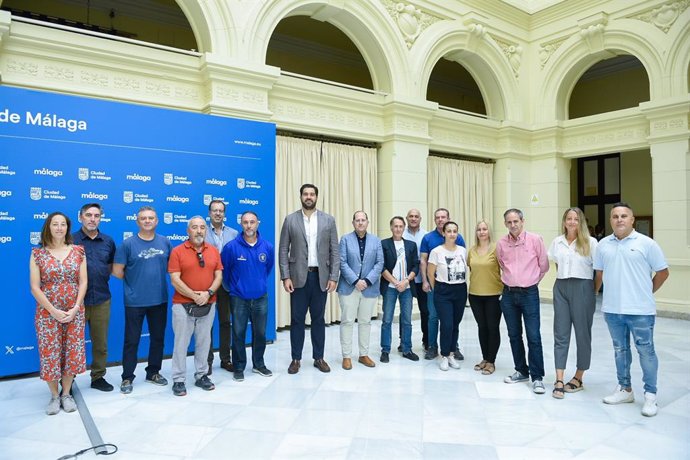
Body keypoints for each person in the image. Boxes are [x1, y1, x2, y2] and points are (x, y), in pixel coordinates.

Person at [594, 202, 669, 417]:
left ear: (632, 219)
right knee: (620, 350)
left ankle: (650, 395)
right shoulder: (603, 245)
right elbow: (598, 276)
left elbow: (663, 273)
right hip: (612, 310)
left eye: (624, 216)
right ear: (610, 220)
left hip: (640, 311)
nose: (619, 219)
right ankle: (625, 389)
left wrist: (646, 292)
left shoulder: (647, 244)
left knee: (646, 351)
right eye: (615, 216)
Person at [279, 184, 339, 374]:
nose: (309, 197)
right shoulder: (290, 220)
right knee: (297, 320)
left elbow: (334, 251)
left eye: (312, 194)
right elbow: (283, 250)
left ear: (317, 197)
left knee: (319, 319)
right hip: (297, 278)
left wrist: (333, 277)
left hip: (320, 278)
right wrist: (285, 276)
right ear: (300, 197)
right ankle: (296, 359)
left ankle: (319, 358)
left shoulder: (328, 220)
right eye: (305, 194)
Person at [30, 212, 87, 415]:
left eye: (63, 224)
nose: (59, 228)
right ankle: (55, 396)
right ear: (49, 227)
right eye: (55, 224)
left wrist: (75, 308)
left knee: (72, 352)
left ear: (67, 228)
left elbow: (83, 282)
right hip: (47, 313)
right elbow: (35, 287)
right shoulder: (38, 253)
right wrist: (53, 310)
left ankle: (67, 394)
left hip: (74, 311)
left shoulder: (79, 251)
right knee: (50, 353)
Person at [112, 206, 171, 394]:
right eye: (143, 218)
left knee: (158, 339)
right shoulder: (127, 245)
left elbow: (172, 268)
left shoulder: (165, 242)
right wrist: (136, 283)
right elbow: (117, 271)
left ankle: (153, 372)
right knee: (131, 341)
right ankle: (127, 377)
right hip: (135, 301)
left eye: (151, 218)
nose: (147, 221)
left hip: (159, 300)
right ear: (137, 222)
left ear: (157, 221)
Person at [496, 208, 549, 394]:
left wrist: (530, 282)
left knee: (533, 336)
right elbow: (501, 264)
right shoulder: (501, 243)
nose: (513, 225)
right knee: (514, 335)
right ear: (505, 224)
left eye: (516, 221)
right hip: (509, 294)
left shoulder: (535, 240)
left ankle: (537, 377)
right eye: (509, 222)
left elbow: (544, 266)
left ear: (522, 221)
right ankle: (521, 370)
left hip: (529, 294)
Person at [167, 216, 222, 396]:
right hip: (182, 305)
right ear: (187, 230)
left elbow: (218, 276)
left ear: (206, 231)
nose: (199, 231)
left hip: (209, 303)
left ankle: (202, 375)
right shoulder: (177, 251)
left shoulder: (213, 251)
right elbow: (175, 280)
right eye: (194, 227)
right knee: (181, 344)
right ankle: (179, 379)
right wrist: (194, 296)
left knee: (204, 342)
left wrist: (208, 294)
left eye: (202, 227)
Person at [547, 207, 598, 399]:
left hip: (583, 287)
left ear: (581, 222)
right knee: (560, 333)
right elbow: (556, 264)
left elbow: (598, 271)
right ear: (564, 221)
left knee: (582, 334)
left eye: (576, 219)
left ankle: (578, 376)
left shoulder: (591, 243)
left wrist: (591, 290)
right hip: (561, 287)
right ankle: (559, 378)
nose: (572, 222)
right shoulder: (557, 242)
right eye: (569, 218)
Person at [222, 211, 275, 382]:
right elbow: (226, 272)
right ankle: (238, 366)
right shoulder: (231, 247)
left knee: (260, 333)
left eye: (252, 222)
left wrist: (256, 284)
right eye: (245, 222)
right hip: (238, 298)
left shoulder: (267, 247)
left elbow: (267, 269)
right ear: (241, 224)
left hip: (260, 297)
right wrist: (236, 287)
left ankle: (259, 364)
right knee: (238, 333)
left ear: (258, 223)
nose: (249, 225)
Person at [72, 203, 116, 392]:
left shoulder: (108, 241)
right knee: (72, 343)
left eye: (96, 215)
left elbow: (112, 267)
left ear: (100, 218)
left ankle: (98, 377)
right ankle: (67, 380)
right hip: (74, 302)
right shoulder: (69, 240)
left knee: (100, 343)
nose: (92, 219)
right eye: (88, 215)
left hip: (101, 300)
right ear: (80, 217)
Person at [337, 211, 383, 369]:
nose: (360, 223)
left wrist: (367, 281)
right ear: (353, 223)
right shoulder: (345, 240)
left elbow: (379, 263)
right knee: (347, 321)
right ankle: (347, 356)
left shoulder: (376, 241)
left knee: (365, 322)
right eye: (357, 220)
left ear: (367, 222)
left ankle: (363, 354)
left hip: (369, 288)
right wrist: (356, 281)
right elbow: (341, 262)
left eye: (363, 220)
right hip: (349, 287)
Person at [419, 208, 466, 360]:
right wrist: (427, 282)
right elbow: (424, 261)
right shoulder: (428, 238)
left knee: (453, 320)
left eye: (443, 217)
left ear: (448, 218)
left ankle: (454, 347)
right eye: (437, 217)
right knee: (433, 316)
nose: (440, 219)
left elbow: (463, 262)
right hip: (437, 285)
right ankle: (432, 347)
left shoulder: (458, 239)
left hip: (456, 287)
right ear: (434, 220)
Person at [427, 221, 468, 371]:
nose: (452, 234)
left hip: (460, 290)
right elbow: (430, 273)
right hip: (443, 291)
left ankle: (451, 353)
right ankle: (444, 355)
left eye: (454, 231)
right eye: (449, 231)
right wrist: (436, 288)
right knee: (447, 324)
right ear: (443, 233)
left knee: (455, 324)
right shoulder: (436, 251)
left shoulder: (463, 250)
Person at [205, 199, 238, 375]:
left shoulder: (233, 233)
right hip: (207, 285)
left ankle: (226, 359)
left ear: (224, 214)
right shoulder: (202, 232)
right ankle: (207, 361)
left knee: (225, 322)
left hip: (226, 285)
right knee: (207, 324)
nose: (218, 213)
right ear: (209, 213)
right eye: (214, 210)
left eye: (221, 211)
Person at [380, 216, 419, 362]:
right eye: (395, 226)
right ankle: (385, 350)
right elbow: (381, 266)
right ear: (391, 228)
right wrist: (396, 282)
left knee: (407, 320)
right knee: (387, 320)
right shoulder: (384, 244)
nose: (398, 229)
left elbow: (416, 265)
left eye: (400, 226)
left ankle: (407, 349)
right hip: (390, 286)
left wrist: (406, 281)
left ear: (404, 228)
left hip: (407, 287)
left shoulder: (411, 245)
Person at [467, 219, 503, 376]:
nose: (482, 232)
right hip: (475, 295)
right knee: (482, 327)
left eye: (484, 229)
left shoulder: (497, 248)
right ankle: (484, 357)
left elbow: (505, 269)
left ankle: (491, 361)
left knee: (492, 327)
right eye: (479, 229)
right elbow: (471, 268)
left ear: (489, 231)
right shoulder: (472, 250)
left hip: (494, 294)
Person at [402, 208, 428, 351]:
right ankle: (403, 341)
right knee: (405, 313)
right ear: (407, 218)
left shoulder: (426, 235)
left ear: (420, 219)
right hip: (406, 279)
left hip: (422, 279)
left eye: (416, 216)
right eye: (410, 216)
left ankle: (427, 340)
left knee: (425, 311)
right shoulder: (401, 234)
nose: (413, 219)